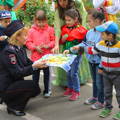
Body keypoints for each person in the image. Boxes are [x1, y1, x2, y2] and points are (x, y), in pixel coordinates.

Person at [68, 21, 120, 119]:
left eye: (102, 33)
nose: (100, 35)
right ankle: (108, 108)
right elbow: (91, 50)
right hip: (106, 74)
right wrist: (79, 48)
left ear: (110, 35)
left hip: (117, 75)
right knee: (107, 92)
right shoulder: (101, 44)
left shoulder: (118, 46)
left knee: (119, 93)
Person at [0, 19, 48, 116]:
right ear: (17, 37)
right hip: (6, 87)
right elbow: (17, 73)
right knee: (33, 86)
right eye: (25, 35)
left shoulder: (19, 49)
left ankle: (11, 100)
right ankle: (14, 107)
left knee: (35, 88)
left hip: (13, 83)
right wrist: (35, 66)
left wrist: (42, 64)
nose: (27, 38)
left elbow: (28, 63)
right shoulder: (9, 52)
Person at [63, 9, 105, 108]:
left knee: (100, 83)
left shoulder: (103, 34)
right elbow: (84, 44)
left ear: (97, 21)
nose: (87, 23)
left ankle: (101, 101)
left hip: (100, 63)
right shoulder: (89, 32)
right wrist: (72, 49)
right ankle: (95, 97)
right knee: (95, 81)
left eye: (89, 21)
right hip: (91, 61)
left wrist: (80, 48)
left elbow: (96, 50)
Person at [52, 0, 91, 88]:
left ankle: (78, 82)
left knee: (76, 63)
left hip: (77, 39)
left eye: (64, 0)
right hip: (65, 41)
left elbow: (83, 18)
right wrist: (57, 44)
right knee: (67, 64)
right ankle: (68, 84)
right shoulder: (58, 11)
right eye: (60, 0)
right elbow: (57, 28)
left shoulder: (78, 5)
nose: (62, 3)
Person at [26, 9, 55, 98]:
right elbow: (28, 42)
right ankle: (34, 91)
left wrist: (48, 45)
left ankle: (47, 90)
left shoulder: (50, 30)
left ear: (46, 20)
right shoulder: (31, 31)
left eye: (43, 22)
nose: (41, 24)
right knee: (35, 76)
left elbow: (53, 41)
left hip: (47, 57)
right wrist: (35, 47)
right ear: (35, 21)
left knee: (47, 75)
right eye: (39, 22)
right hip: (36, 58)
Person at [60, 9, 87, 100]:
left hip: (75, 56)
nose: (67, 22)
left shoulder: (81, 30)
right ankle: (70, 88)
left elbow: (83, 44)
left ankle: (76, 91)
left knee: (73, 74)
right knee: (68, 73)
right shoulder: (65, 28)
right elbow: (62, 42)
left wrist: (79, 52)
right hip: (67, 55)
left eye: (69, 20)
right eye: (66, 20)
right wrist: (63, 39)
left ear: (76, 19)